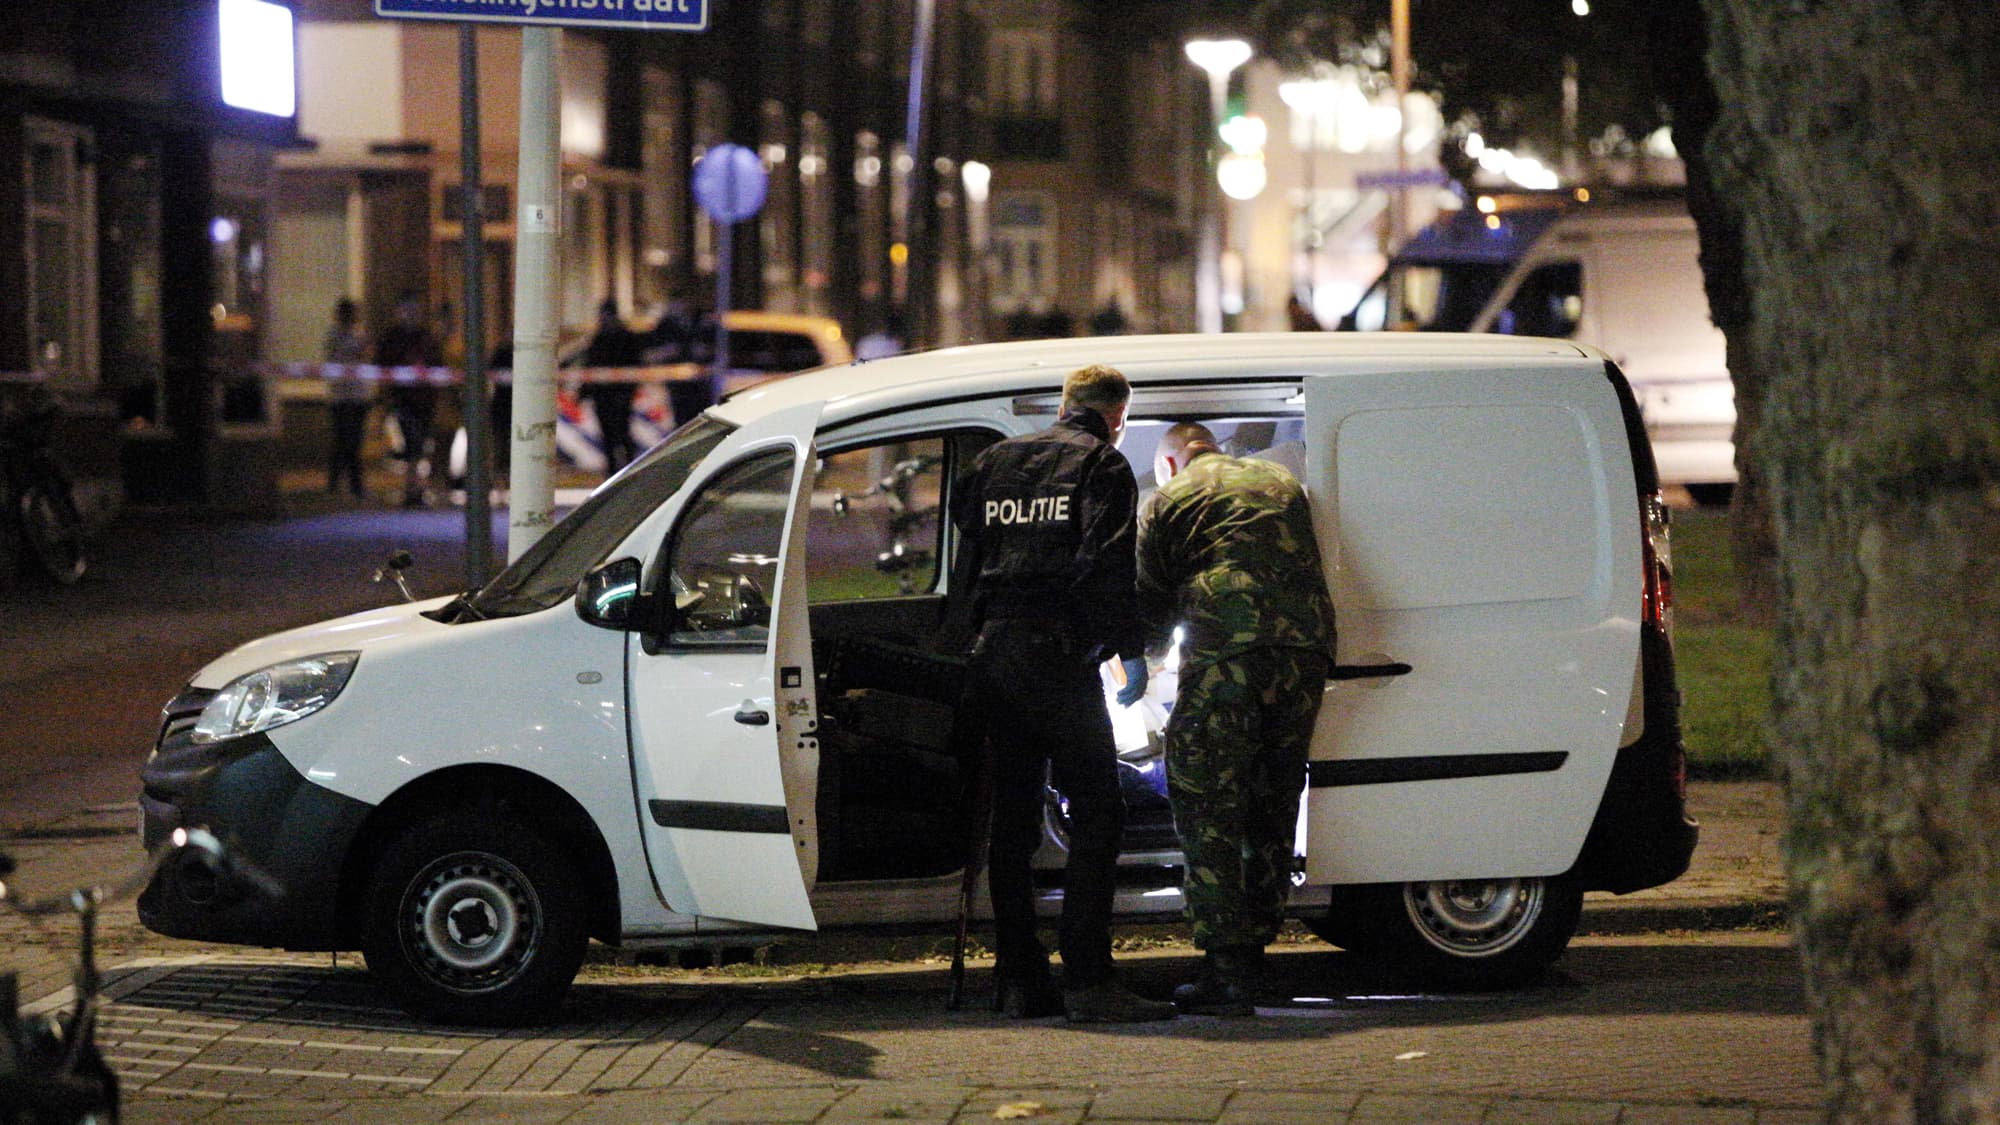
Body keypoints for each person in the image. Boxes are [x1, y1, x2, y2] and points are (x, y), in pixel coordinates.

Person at [948, 364, 1175, 1024]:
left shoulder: (994, 460)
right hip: (1056, 657)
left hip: (995, 654)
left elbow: (970, 548)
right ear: (1115, 417)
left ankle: (1021, 979)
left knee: (1012, 825)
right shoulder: (1099, 465)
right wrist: (1131, 653)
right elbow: (1106, 567)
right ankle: (1088, 979)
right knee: (1100, 814)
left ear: (1064, 404)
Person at [1135, 422, 1338, 1016]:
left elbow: (1150, 601)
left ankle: (1225, 973)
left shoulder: (1170, 497)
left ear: (1170, 463)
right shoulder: (1280, 480)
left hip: (1229, 653)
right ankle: (1256, 952)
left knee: (1209, 805)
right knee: (1272, 801)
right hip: (1304, 652)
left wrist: (1139, 673)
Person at [374, 290, 444, 508]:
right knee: (412, 443)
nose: (412, 315)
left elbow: (437, 365)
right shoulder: (392, 338)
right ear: (399, 311)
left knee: (420, 444)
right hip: (403, 400)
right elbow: (381, 365)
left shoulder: (425, 337)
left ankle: (416, 487)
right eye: (408, 310)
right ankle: (413, 487)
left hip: (425, 400)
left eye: (415, 310)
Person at [581, 298, 643, 473]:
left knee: (622, 435)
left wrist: (627, 391)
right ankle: (614, 473)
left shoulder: (623, 337)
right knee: (609, 436)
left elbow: (633, 366)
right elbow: (590, 366)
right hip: (603, 395)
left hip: (619, 395)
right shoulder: (599, 337)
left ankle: (629, 470)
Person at [322, 297, 371, 499]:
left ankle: (352, 484)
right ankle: (340, 484)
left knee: (354, 442)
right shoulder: (333, 336)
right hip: (341, 396)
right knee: (342, 441)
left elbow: (366, 356)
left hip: (358, 396)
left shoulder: (359, 335)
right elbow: (334, 357)